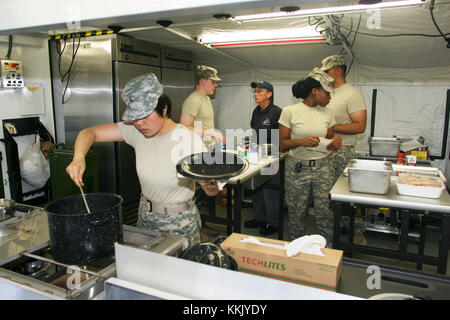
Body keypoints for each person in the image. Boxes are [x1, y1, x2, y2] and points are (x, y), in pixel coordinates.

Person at [65, 73, 219, 246]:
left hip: (180, 223)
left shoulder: (188, 140)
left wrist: (209, 185)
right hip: (146, 217)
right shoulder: (136, 131)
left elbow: (212, 192)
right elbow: (88, 133)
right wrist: (79, 158)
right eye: (135, 117)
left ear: (164, 109)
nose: (140, 123)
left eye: (145, 116)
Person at [278, 68, 342, 245]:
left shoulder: (328, 113)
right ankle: (297, 250)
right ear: (315, 91)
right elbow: (282, 143)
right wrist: (301, 141)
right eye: (327, 93)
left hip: (323, 168)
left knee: (325, 213)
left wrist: (336, 141)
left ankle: (326, 253)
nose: (330, 98)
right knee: (296, 213)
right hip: (298, 169)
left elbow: (328, 140)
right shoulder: (290, 111)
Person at [320, 55, 368, 246]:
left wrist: (332, 128)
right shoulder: (324, 93)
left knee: (348, 196)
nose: (325, 74)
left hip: (344, 152)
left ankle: (356, 232)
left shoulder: (352, 94)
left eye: (327, 70)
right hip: (325, 152)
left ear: (338, 71)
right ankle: (332, 234)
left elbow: (359, 126)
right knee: (326, 196)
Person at [244, 80, 282, 236]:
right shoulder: (256, 111)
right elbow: (255, 132)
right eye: (255, 92)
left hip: (272, 158)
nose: (256, 94)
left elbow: (282, 136)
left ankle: (273, 223)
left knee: (270, 191)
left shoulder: (276, 112)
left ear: (269, 94)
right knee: (256, 189)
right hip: (257, 156)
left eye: (260, 91)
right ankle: (260, 218)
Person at [180, 65, 225, 146]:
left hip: (208, 147)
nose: (216, 85)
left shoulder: (207, 98)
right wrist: (209, 132)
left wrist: (213, 135)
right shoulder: (193, 100)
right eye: (213, 82)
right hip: (198, 149)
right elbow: (184, 128)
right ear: (202, 81)